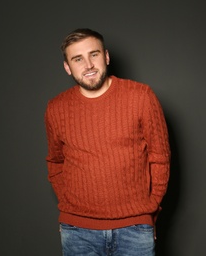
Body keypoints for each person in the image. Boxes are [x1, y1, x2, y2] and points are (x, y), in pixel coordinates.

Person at [44, 28, 171, 255]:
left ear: (106, 56)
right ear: (67, 67)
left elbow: (160, 158)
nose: (88, 65)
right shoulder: (56, 108)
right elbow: (55, 163)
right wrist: (71, 209)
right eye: (78, 59)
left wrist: (149, 211)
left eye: (94, 54)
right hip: (78, 232)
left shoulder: (141, 96)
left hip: (134, 229)